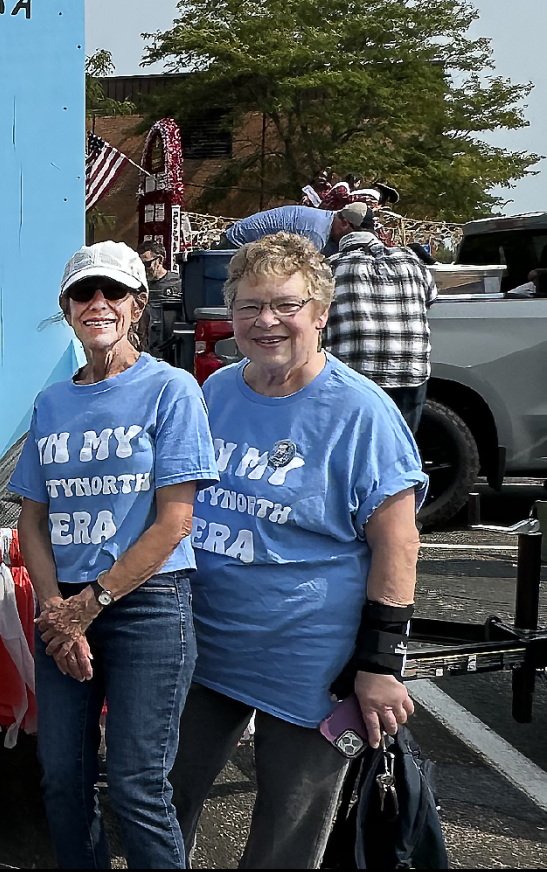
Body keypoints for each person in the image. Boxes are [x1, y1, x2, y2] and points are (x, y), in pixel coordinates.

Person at [169, 232, 425, 869]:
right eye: (250, 306)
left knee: (286, 837)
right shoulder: (216, 392)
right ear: (230, 316)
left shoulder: (361, 413)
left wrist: (379, 661)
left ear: (319, 312)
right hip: (205, 648)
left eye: (285, 305)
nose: (266, 322)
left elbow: (398, 544)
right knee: (160, 805)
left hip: (309, 662)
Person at [13, 241, 216, 869]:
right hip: (63, 603)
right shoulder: (52, 403)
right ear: (66, 309)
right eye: (84, 293)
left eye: (113, 293)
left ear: (137, 306)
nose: (98, 303)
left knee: (137, 785)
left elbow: (174, 522)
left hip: (146, 602)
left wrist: (91, 604)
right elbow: (32, 520)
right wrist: (55, 609)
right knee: (61, 780)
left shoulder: (171, 389)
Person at [323, 224, 438, 433]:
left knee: (354, 442)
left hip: (354, 374)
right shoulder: (413, 262)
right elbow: (430, 299)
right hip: (410, 371)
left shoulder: (330, 268)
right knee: (402, 441)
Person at [219, 202, 368, 252]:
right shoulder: (316, 233)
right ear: (344, 223)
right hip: (235, 246)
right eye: (355, 233)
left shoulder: (328, 223)